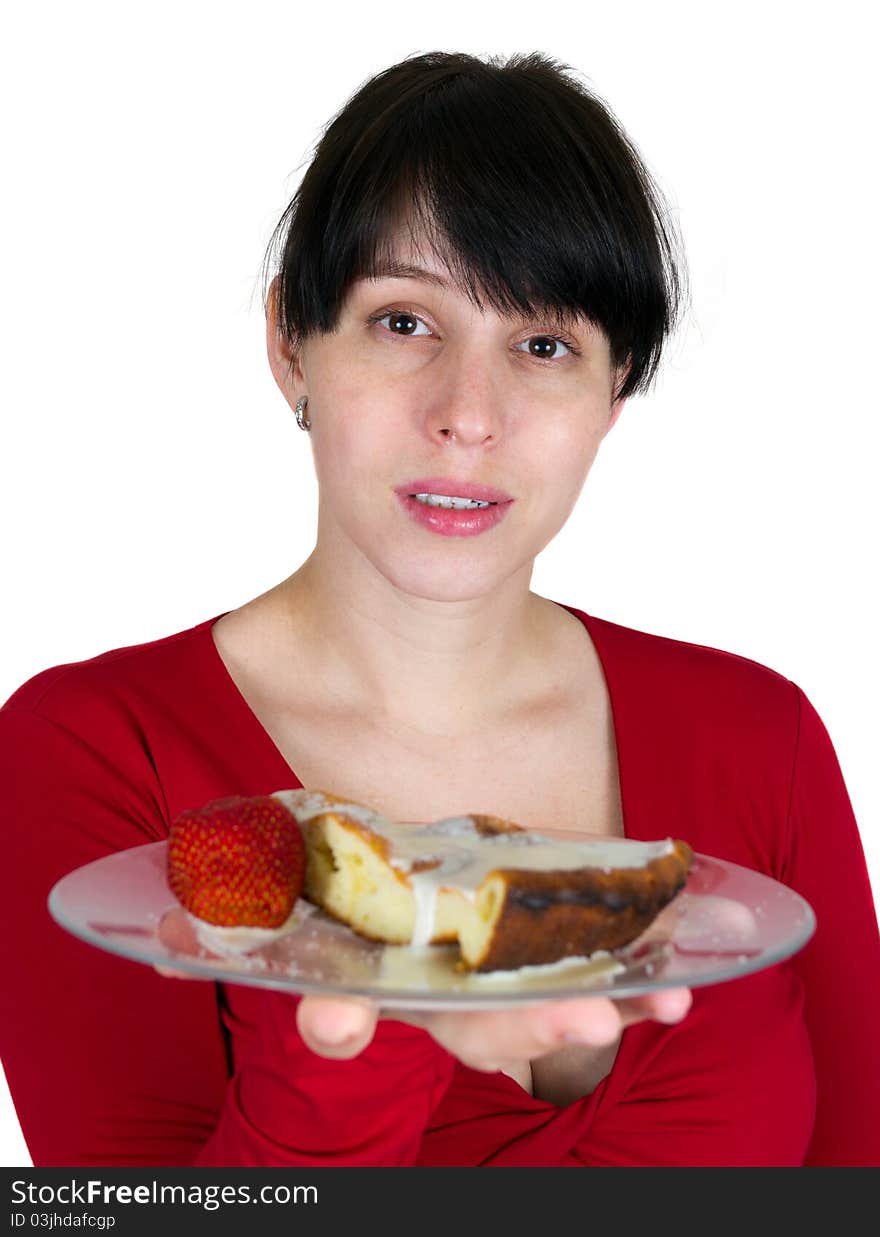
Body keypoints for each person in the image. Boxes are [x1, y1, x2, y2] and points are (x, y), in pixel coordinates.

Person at [1, 49, 878, 1169]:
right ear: (290, 346)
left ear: (611, 395)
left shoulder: (763, 736)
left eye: (544, 344)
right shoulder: (90, 749)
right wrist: (365, 1040)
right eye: (404, 323)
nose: (470, 414)